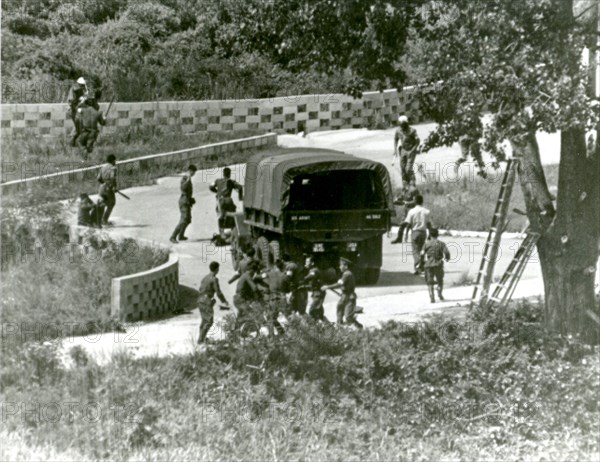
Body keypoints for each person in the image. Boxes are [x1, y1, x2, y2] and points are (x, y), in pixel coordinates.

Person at [322, 257, 362, 329]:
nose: (340, 267)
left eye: (341, 265)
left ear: (345, 266)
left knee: (348, 316)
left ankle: (359, 327)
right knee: (339, 311)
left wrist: (327, 286)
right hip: (344, 296)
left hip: (349, 297)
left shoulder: (347, 274)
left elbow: (339, 284)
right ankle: (339, 326)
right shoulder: (345, 274)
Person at [197, 261, 230, 344]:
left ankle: (201, 338)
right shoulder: (214, 279)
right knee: (209, 321)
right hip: (206, 300)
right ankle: (201, 340)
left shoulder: (205, 277)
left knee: (204, 320)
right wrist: (224, 301)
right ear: (217, 269)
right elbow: (218, 292)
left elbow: (200, 289)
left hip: (200, 300)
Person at [209, 167, 243, 239]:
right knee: (232, 215)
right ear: (229, 174)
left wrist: (217, 192)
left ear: (223, 174)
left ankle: (222, 234)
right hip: (228, 200)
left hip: (220, 201)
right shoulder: (231, 181)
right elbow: (240, 187)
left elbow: (210, 187)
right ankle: (233, 232)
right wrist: (240, 198)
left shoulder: (217, 181)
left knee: (221, 216)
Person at [403, 194, 432, 275]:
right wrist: (430, 234)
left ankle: (418, 267)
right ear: (422, 201)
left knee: (415, 251)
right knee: (422, 250)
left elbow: (408, 224)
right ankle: (420, 267)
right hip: (423, 233)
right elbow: (429, 224)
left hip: (415, 232)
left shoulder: (411, 211)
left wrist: (405, 234)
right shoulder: (426, 211)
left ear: (415, 201)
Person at [233, 260, 263, 333]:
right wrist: (260, 297)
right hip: (240, 299)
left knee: (241, 315)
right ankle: (244, 332)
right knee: (252, 315)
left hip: (238, 299)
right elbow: (254, 288)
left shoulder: (244, 275)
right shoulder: (247, 275)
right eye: (254, 272)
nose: (254, 274)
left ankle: (235, 332)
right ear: (252, 270)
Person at [170, 164, 197, 244]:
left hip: (187, 200)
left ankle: (181, 235)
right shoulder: (185, 178)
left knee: (188, 220)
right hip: (184, 201)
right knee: (183, 220)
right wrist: (188, 180)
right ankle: (173, 236)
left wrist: (191, 199)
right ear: (190, 171)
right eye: (194, 172)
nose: (194, 174)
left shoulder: (188, 178)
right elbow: (183, 188)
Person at [422, 228, 451, 303]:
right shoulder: (441, 243)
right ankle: (439, 293)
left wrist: (422, 262)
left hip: (428, 264)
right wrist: (447, 258)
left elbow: (422, 254)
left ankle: (431, 296)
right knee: (440, 280)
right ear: (437, 235)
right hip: (438, 264)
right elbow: (447, 253)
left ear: (430, 235)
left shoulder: (426, 244)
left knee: (429, 281)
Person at [261, 259, 288, 336]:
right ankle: (282, 331)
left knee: (271, 318)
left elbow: (263, 282)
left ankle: (272, 337)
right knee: (288, 315)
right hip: (283, 297)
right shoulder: (283, 275)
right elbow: (287, 288)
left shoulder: (269, 274)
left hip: (274, 299)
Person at [393, 115, 420, 186]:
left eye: (403, 125)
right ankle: (405, 186)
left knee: (408, 169)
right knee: (402, 168)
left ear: (406, 123)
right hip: (403, 150)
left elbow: (418, 141)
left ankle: (413, 183)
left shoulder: (412, 130)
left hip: (411, 150)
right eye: (400, 124)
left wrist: (413, 150)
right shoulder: (398, 130)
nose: (401, 126)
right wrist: (395, 150)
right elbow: (395, 139)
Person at [391, 179, 420, 244]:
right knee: (402, 224)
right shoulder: (404, 190)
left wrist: (408, 203)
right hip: (406, 211)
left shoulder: (414, 190)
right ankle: (399, 238)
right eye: (402, 181)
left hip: (413, 211)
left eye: (404, 181)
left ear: (407, 182)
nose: (403, 182)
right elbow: (401, 198)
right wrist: (395, 201)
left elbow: (416, 201)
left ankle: (416, 240)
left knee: (413, 226)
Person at [77, 93, 105, 158]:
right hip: (93, 133)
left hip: (84, 132)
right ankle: (87, 158)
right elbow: (103, 123)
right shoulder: (98, 113)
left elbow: (77, 108)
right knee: (89, 149)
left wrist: (82, 101)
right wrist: (104, 118)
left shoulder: (83, 110)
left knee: (79, 142)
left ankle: (85, 158)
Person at [303, 255, 329, 323]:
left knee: (312, 311)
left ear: (312, 263)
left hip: (318, 293)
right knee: (319, 313)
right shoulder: (312, 270)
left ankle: (313, 329)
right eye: (305, 261)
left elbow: (307, 278)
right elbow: (310, 284)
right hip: (316, 293)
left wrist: (301, 279)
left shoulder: (314, 270)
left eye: (307, 261)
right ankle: (329, 327)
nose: (305, 263)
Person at [97, 154, 118, 225]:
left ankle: (98, 220)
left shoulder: (102, 167)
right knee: (112, 203)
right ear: (113, 160)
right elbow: (112, 178)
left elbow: (98, 178)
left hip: (101, 188)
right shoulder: (113, 168)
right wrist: (114, 187)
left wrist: (104, 183)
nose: (115, 162)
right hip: (109, 189)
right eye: (115, 161)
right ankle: (104, 220)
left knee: (102, 203)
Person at [67, 77, 88, 146]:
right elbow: (71, 102)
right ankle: (71, 141)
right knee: (78, 128)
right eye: (82, 85)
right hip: (73, 110)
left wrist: (83, 99)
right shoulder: (74, 89)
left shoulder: (80, 90)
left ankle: (72, 142)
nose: (83, 87)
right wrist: (77, 108)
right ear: (79, 84)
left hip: (77, 109)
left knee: (80, 128)